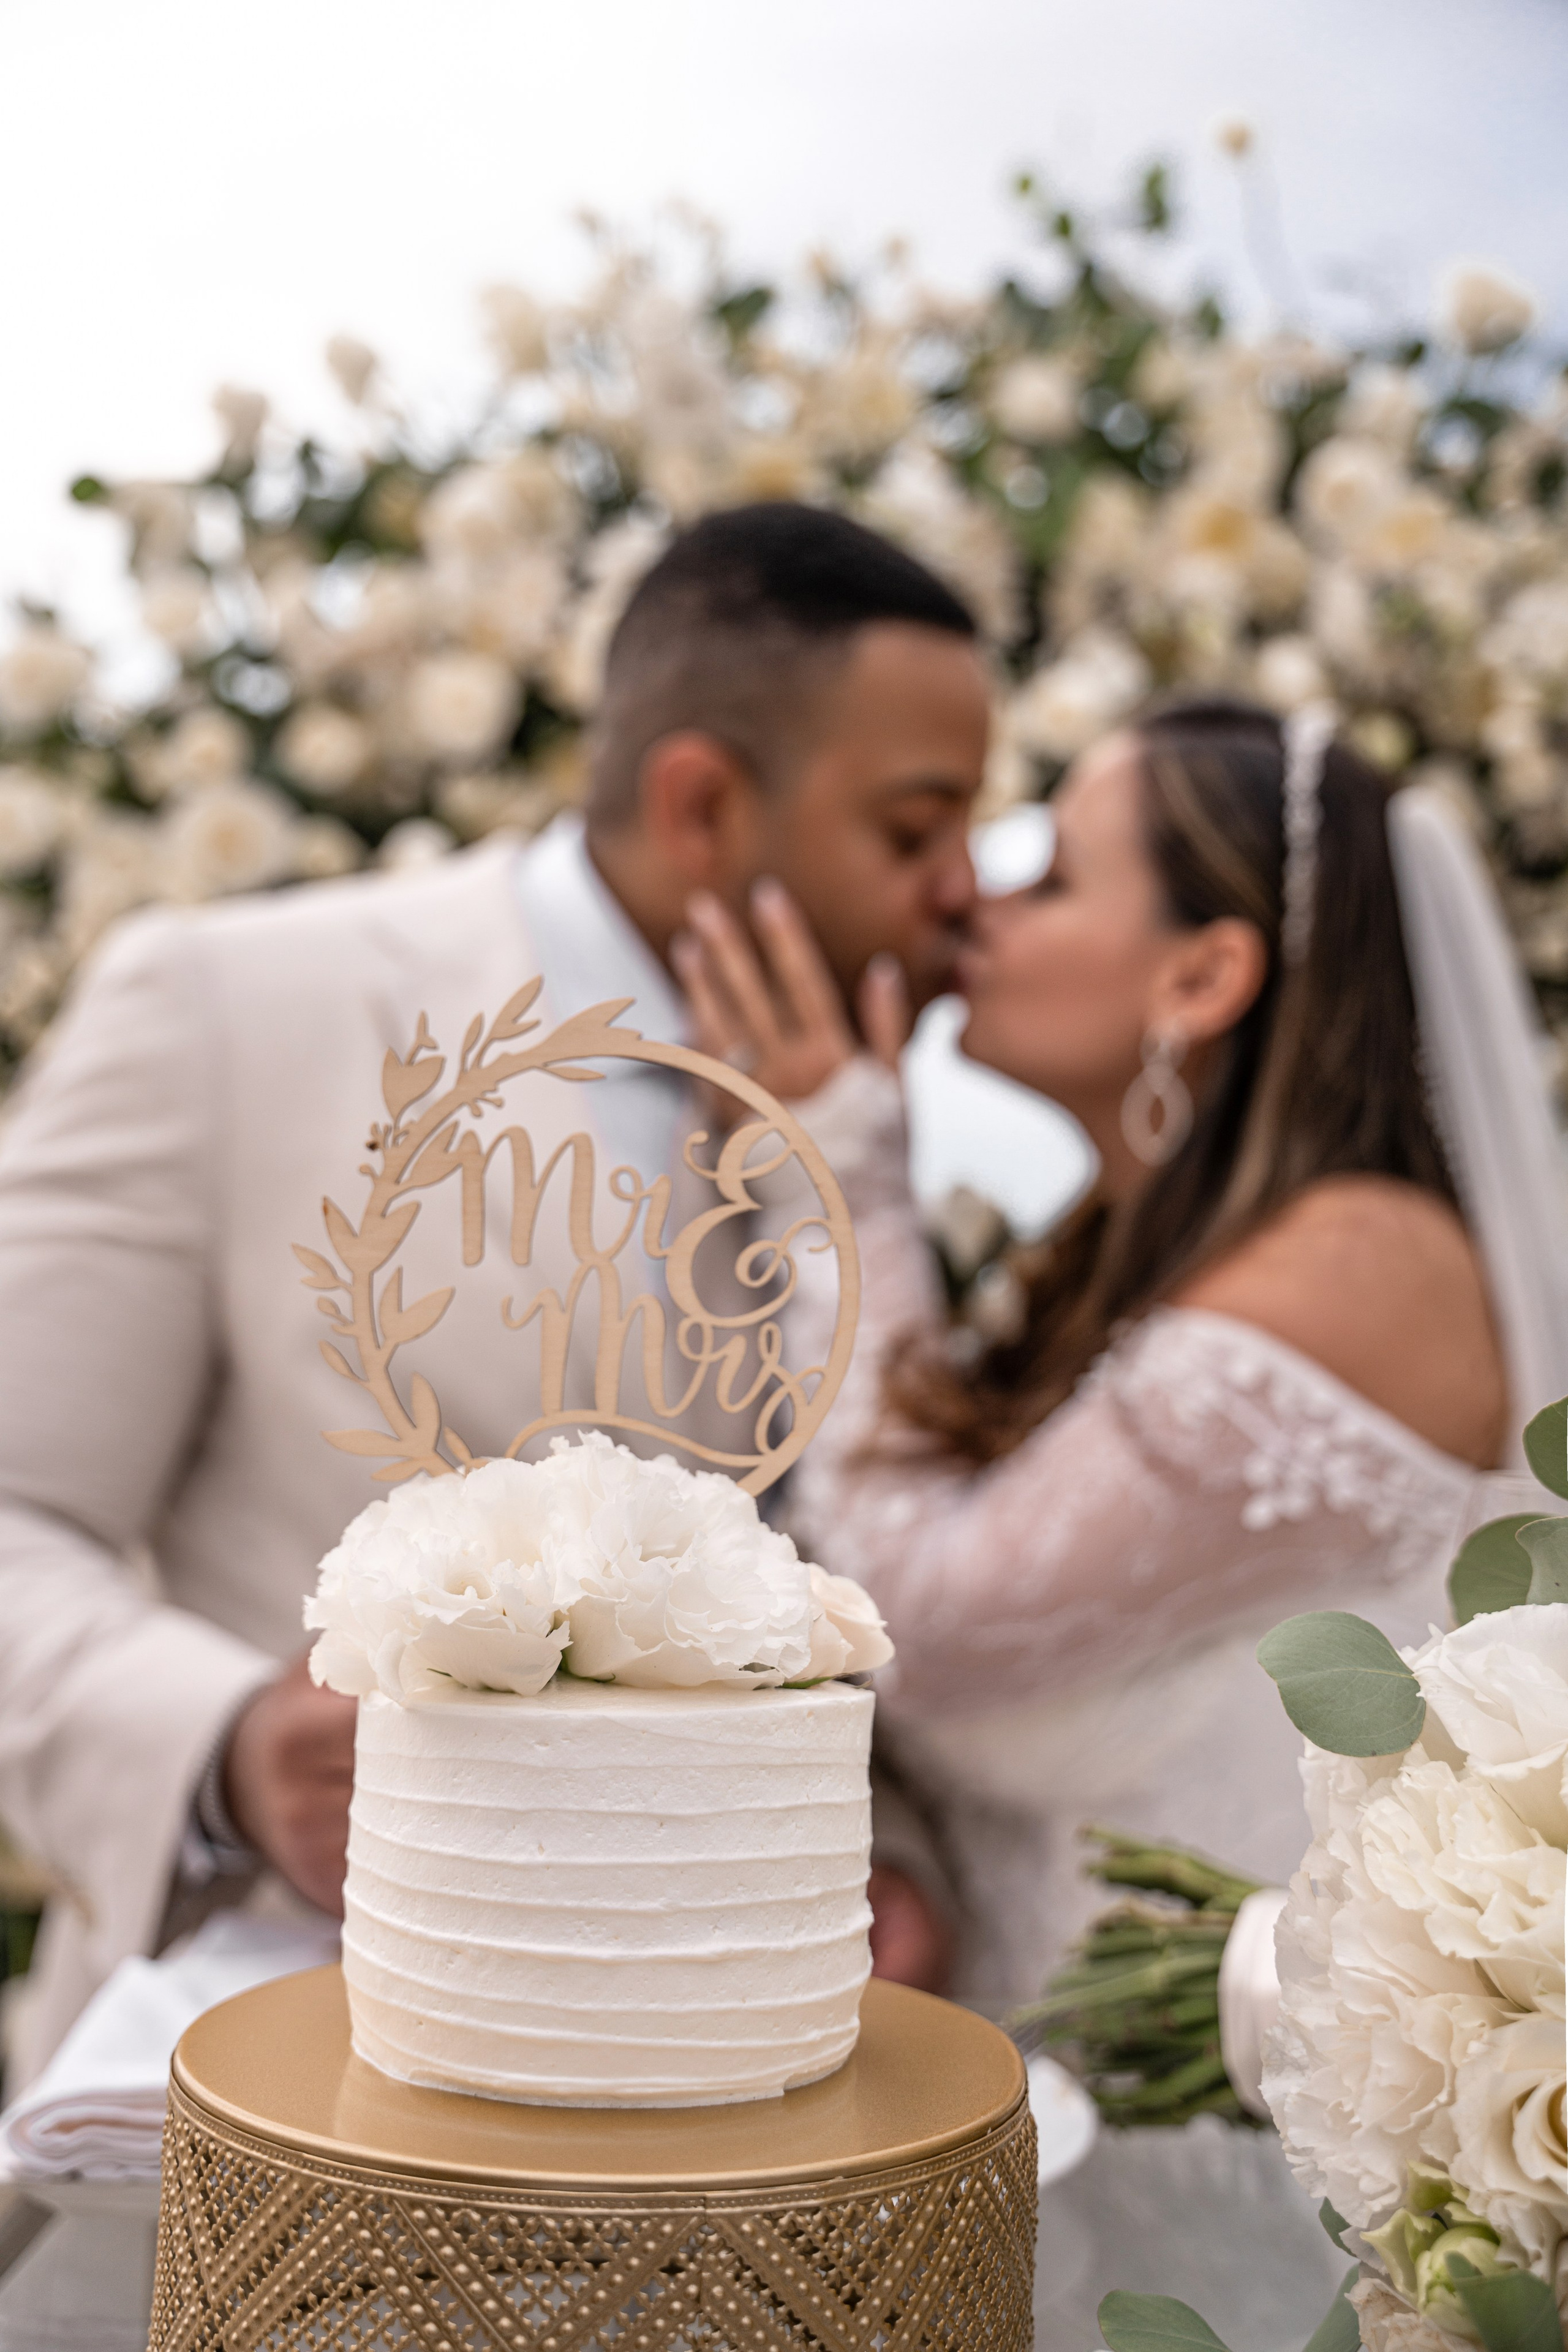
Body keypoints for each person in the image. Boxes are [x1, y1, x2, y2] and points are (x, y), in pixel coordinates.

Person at [0, 502, 987, 2078]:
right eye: (914, 830)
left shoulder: (851, 1145)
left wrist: (897, 1874)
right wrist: (227, 1750)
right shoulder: (230, 1005)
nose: (966, 899)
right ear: (704, 806)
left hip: (703, 2139)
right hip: (258, 2101)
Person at [677, 695, 1568, 1997]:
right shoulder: (1133, 1252)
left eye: (1049, 876)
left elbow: (910, 1617)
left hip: (1236, 2142)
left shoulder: (1359, 1267)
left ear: (1199, 977)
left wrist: (832, 1176)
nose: (975, 905)